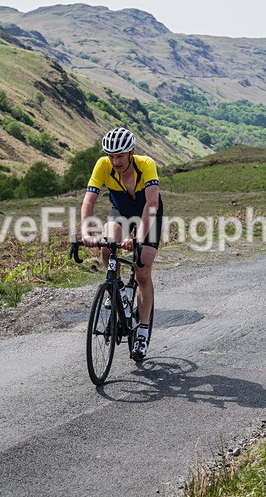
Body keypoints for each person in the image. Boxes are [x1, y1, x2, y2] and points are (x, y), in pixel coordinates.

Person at [80, 127, 162, 361]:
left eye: (119, 156)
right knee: (107, 246)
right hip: (122, 211)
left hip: (148, 210)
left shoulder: (146, 164)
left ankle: (143, 331)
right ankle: (119, 295)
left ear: (131, 153)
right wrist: (86, 231)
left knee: (142, 269)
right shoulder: (103, 165)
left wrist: (139, 238)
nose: (114, 161)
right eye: (111, 156)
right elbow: (89, 201)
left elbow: (152, 203)